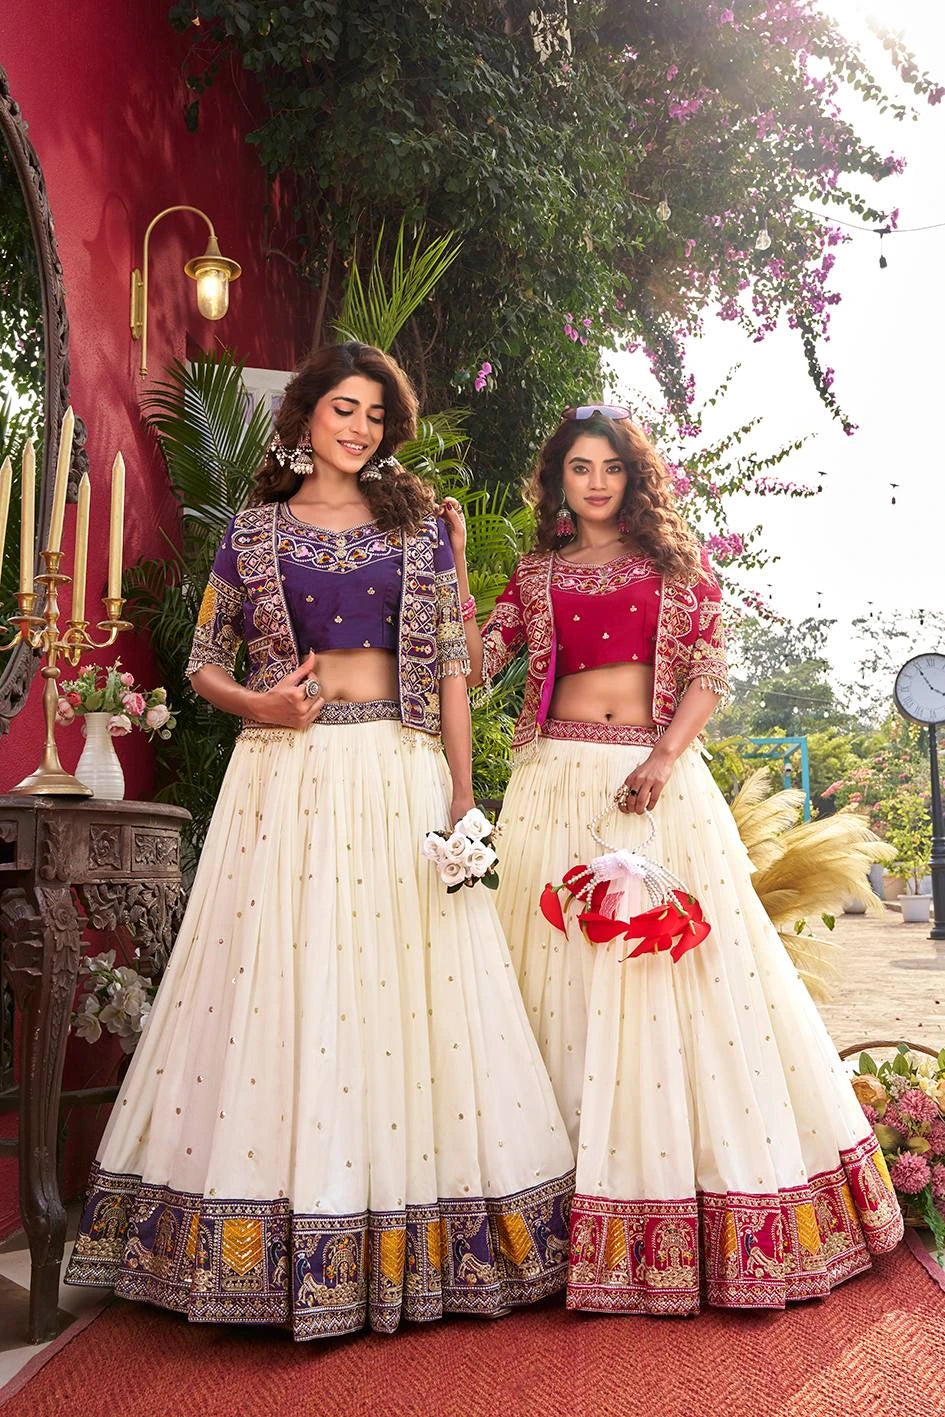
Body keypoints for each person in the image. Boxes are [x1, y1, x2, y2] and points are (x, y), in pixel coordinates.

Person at [66, 342, 574, 1340]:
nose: (359, 427)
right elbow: (206, 659)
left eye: (376, 416)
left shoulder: (418, 527)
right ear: (304, 417)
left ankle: (421, 1235)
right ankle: (275, 1232)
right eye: (344, 408)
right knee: (283, 984)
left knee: (407, 987)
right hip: (284, 776)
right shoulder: (252, 533)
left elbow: (458, 679)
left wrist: (464, 799)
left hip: (396, 768)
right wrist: (260, 701)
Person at [443, 404, 902, 1316]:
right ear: (558, 483)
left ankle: (689, 1205)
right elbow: (476, 661)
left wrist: (660, 756)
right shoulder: (532, 575)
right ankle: (554, 1217)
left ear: (632, 475)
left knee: (680, 984)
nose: (597, 481)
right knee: (561, 982)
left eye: (610, 465)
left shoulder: (676, 570)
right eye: (579, 467)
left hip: (658, 784)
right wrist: (456, 565)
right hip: (554, 784)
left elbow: (706, 671)